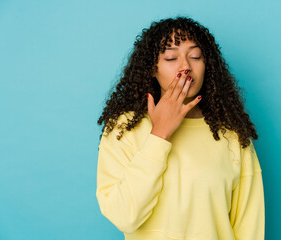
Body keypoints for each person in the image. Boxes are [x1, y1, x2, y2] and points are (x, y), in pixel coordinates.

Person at [96, 16, 265, 240]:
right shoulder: (124, 128)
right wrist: (159, 135)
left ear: (208, 66)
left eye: (195, 56)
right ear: (152, 69)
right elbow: (124, 217)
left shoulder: (231, 134)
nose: (186, 66)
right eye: (171, 57)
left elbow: (249, 227)